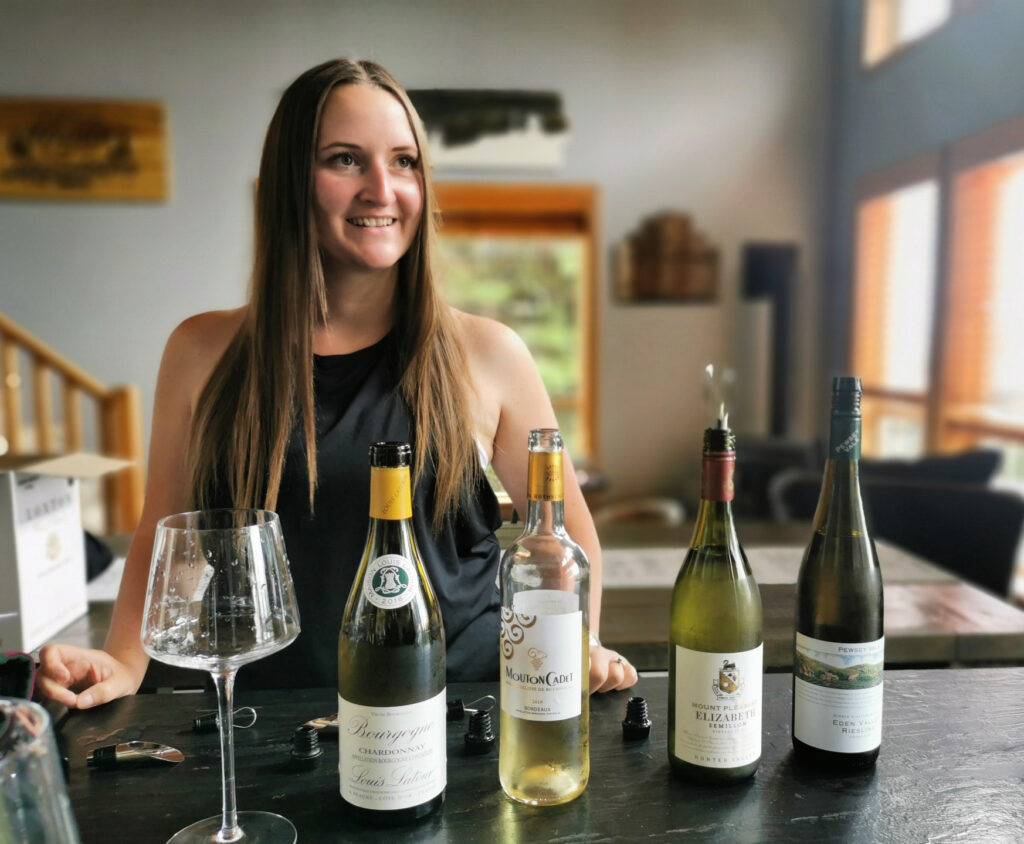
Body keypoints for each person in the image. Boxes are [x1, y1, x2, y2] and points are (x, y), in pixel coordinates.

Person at [37, 58, 637, 709]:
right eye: (346, 159)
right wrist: (124, 662)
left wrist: (581, 642)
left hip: (457, 703)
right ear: (292, 183)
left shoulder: (488, 353)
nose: (382, 188)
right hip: (263, 716)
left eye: (404, 161)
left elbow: (567, 536)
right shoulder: (200, 351)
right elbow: (165, 534)